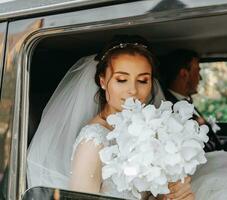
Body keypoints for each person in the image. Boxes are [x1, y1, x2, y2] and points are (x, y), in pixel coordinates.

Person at [27, 35, 194, 200]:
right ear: (102, 81)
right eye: (121, 80)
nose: (133, 90)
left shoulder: (147, 130)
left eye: (143, 80)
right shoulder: (93, 142)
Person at [160, 49, 227, 153]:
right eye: (197, 71)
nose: (200, 78)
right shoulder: (170, 109)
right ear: (184, 74)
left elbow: (213, 146)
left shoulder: (186, 103)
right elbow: (203, 151)